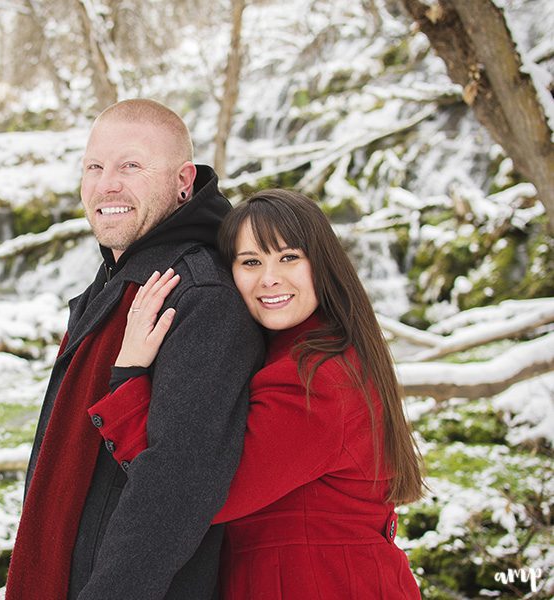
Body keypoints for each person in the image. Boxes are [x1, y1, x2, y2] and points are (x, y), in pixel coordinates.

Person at [90, 189, 425, 599]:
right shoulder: (312, 349)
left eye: (288, 257)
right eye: (251, 261)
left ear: (321, 263)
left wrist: (130, 376)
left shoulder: (317, 381)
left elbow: (195, 495)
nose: (270, 278)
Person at [5, 99, 265, 600]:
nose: (107, 185)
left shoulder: (198, 296)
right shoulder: (121, 278)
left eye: (131, 166)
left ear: (183, 181)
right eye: (95, 167)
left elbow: (174, 489)